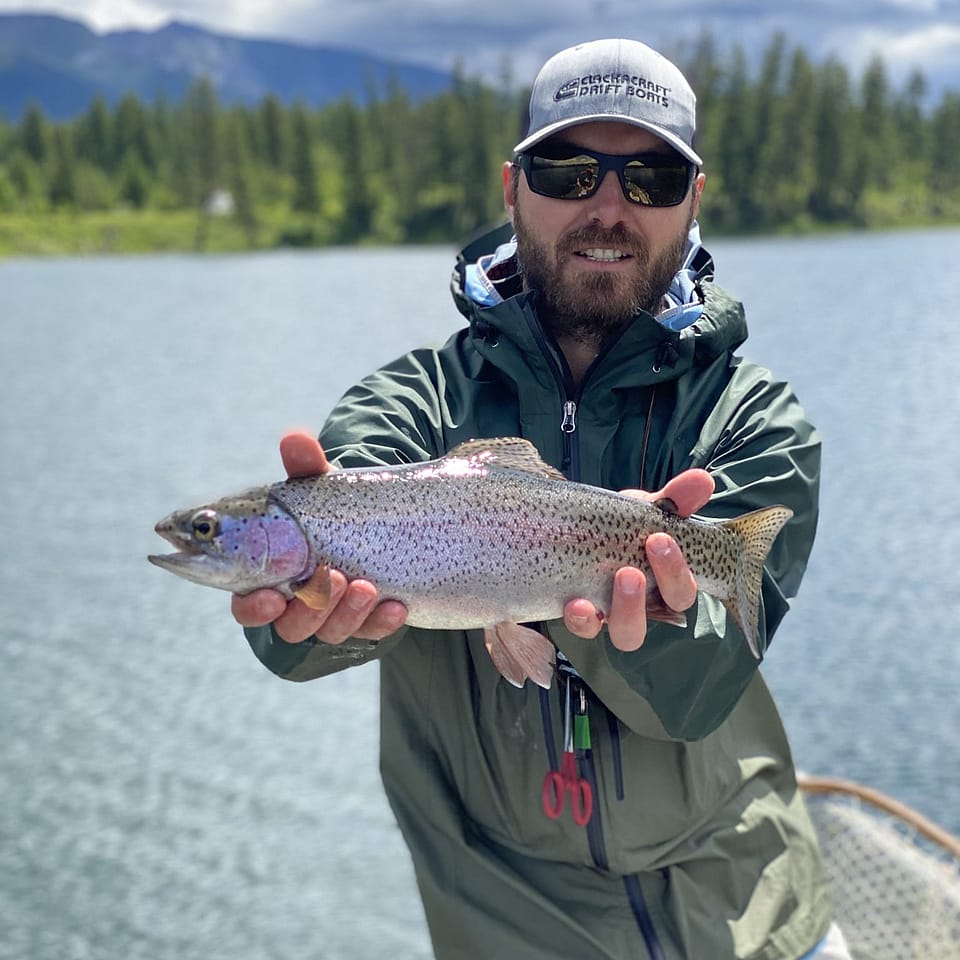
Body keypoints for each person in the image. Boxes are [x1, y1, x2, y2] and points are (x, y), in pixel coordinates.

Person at [234, 38, 851, 960]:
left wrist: (660, 617)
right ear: (512, 187)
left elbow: (697, 696)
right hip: (500, 918)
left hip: (747, 911)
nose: (608, 208)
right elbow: (303, 613)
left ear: (695, 198)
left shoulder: (755, 419)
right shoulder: (411, 405)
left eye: (650, 177)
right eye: (568, 172)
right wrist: (303, 620)